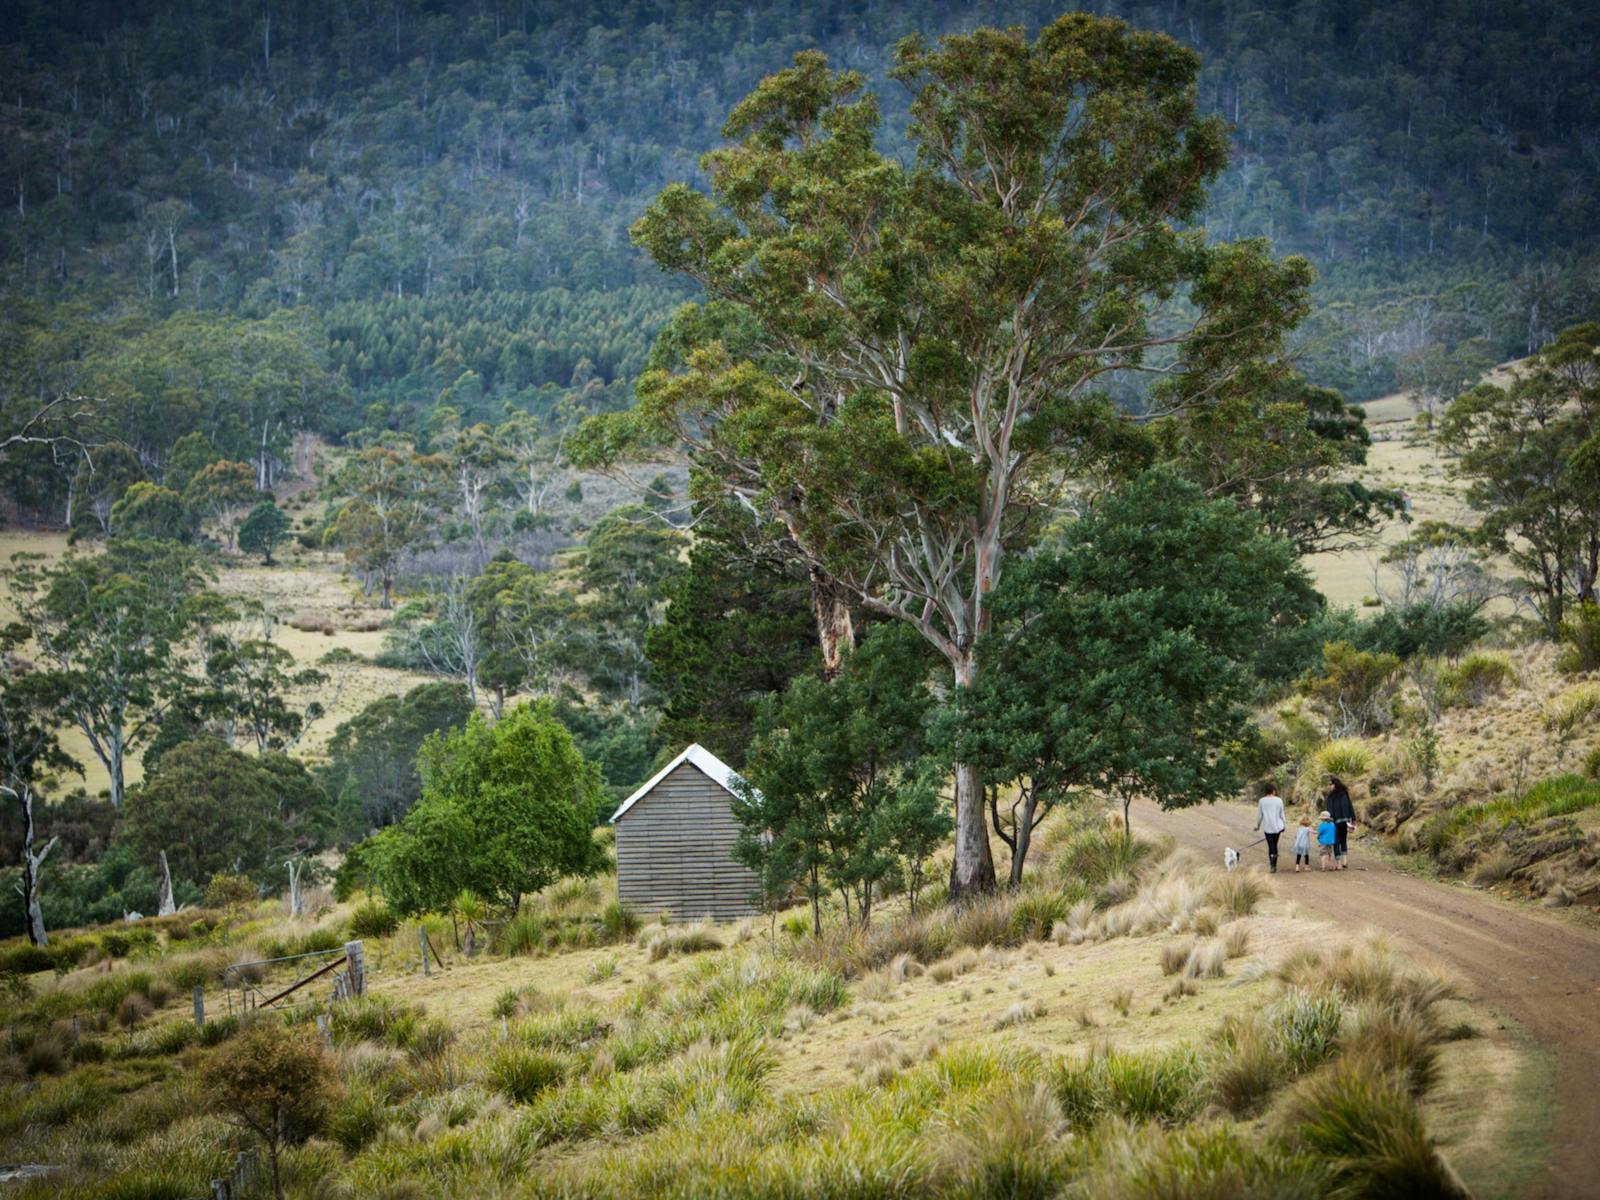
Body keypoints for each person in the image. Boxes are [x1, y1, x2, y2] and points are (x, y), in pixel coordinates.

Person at [1324, 775, 1357, 870]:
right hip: (1345, 821)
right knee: (1343, 840)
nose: (1329, 786)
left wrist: (1328, 821)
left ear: (1335, 784)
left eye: (1330, 784)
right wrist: (1353, 818)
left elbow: (1329, 810)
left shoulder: (1330, 796)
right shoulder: (1344, 793)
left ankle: (1339, 864)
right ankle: (1344, 861)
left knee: (1336, 842)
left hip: (1335, 822)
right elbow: (1350, 806)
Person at [1254, 782, 1286, 873]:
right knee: (1275, 845)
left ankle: (1272, 865)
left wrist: (1258, 826)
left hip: (1268, 827)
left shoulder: (1262, 801)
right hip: (1278, 827)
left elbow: (1260, 815)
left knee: (1271, 846)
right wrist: (1284, 824)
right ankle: (1274, 864)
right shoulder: (1279, 800)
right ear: (1273, 791)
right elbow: (1282, 813)